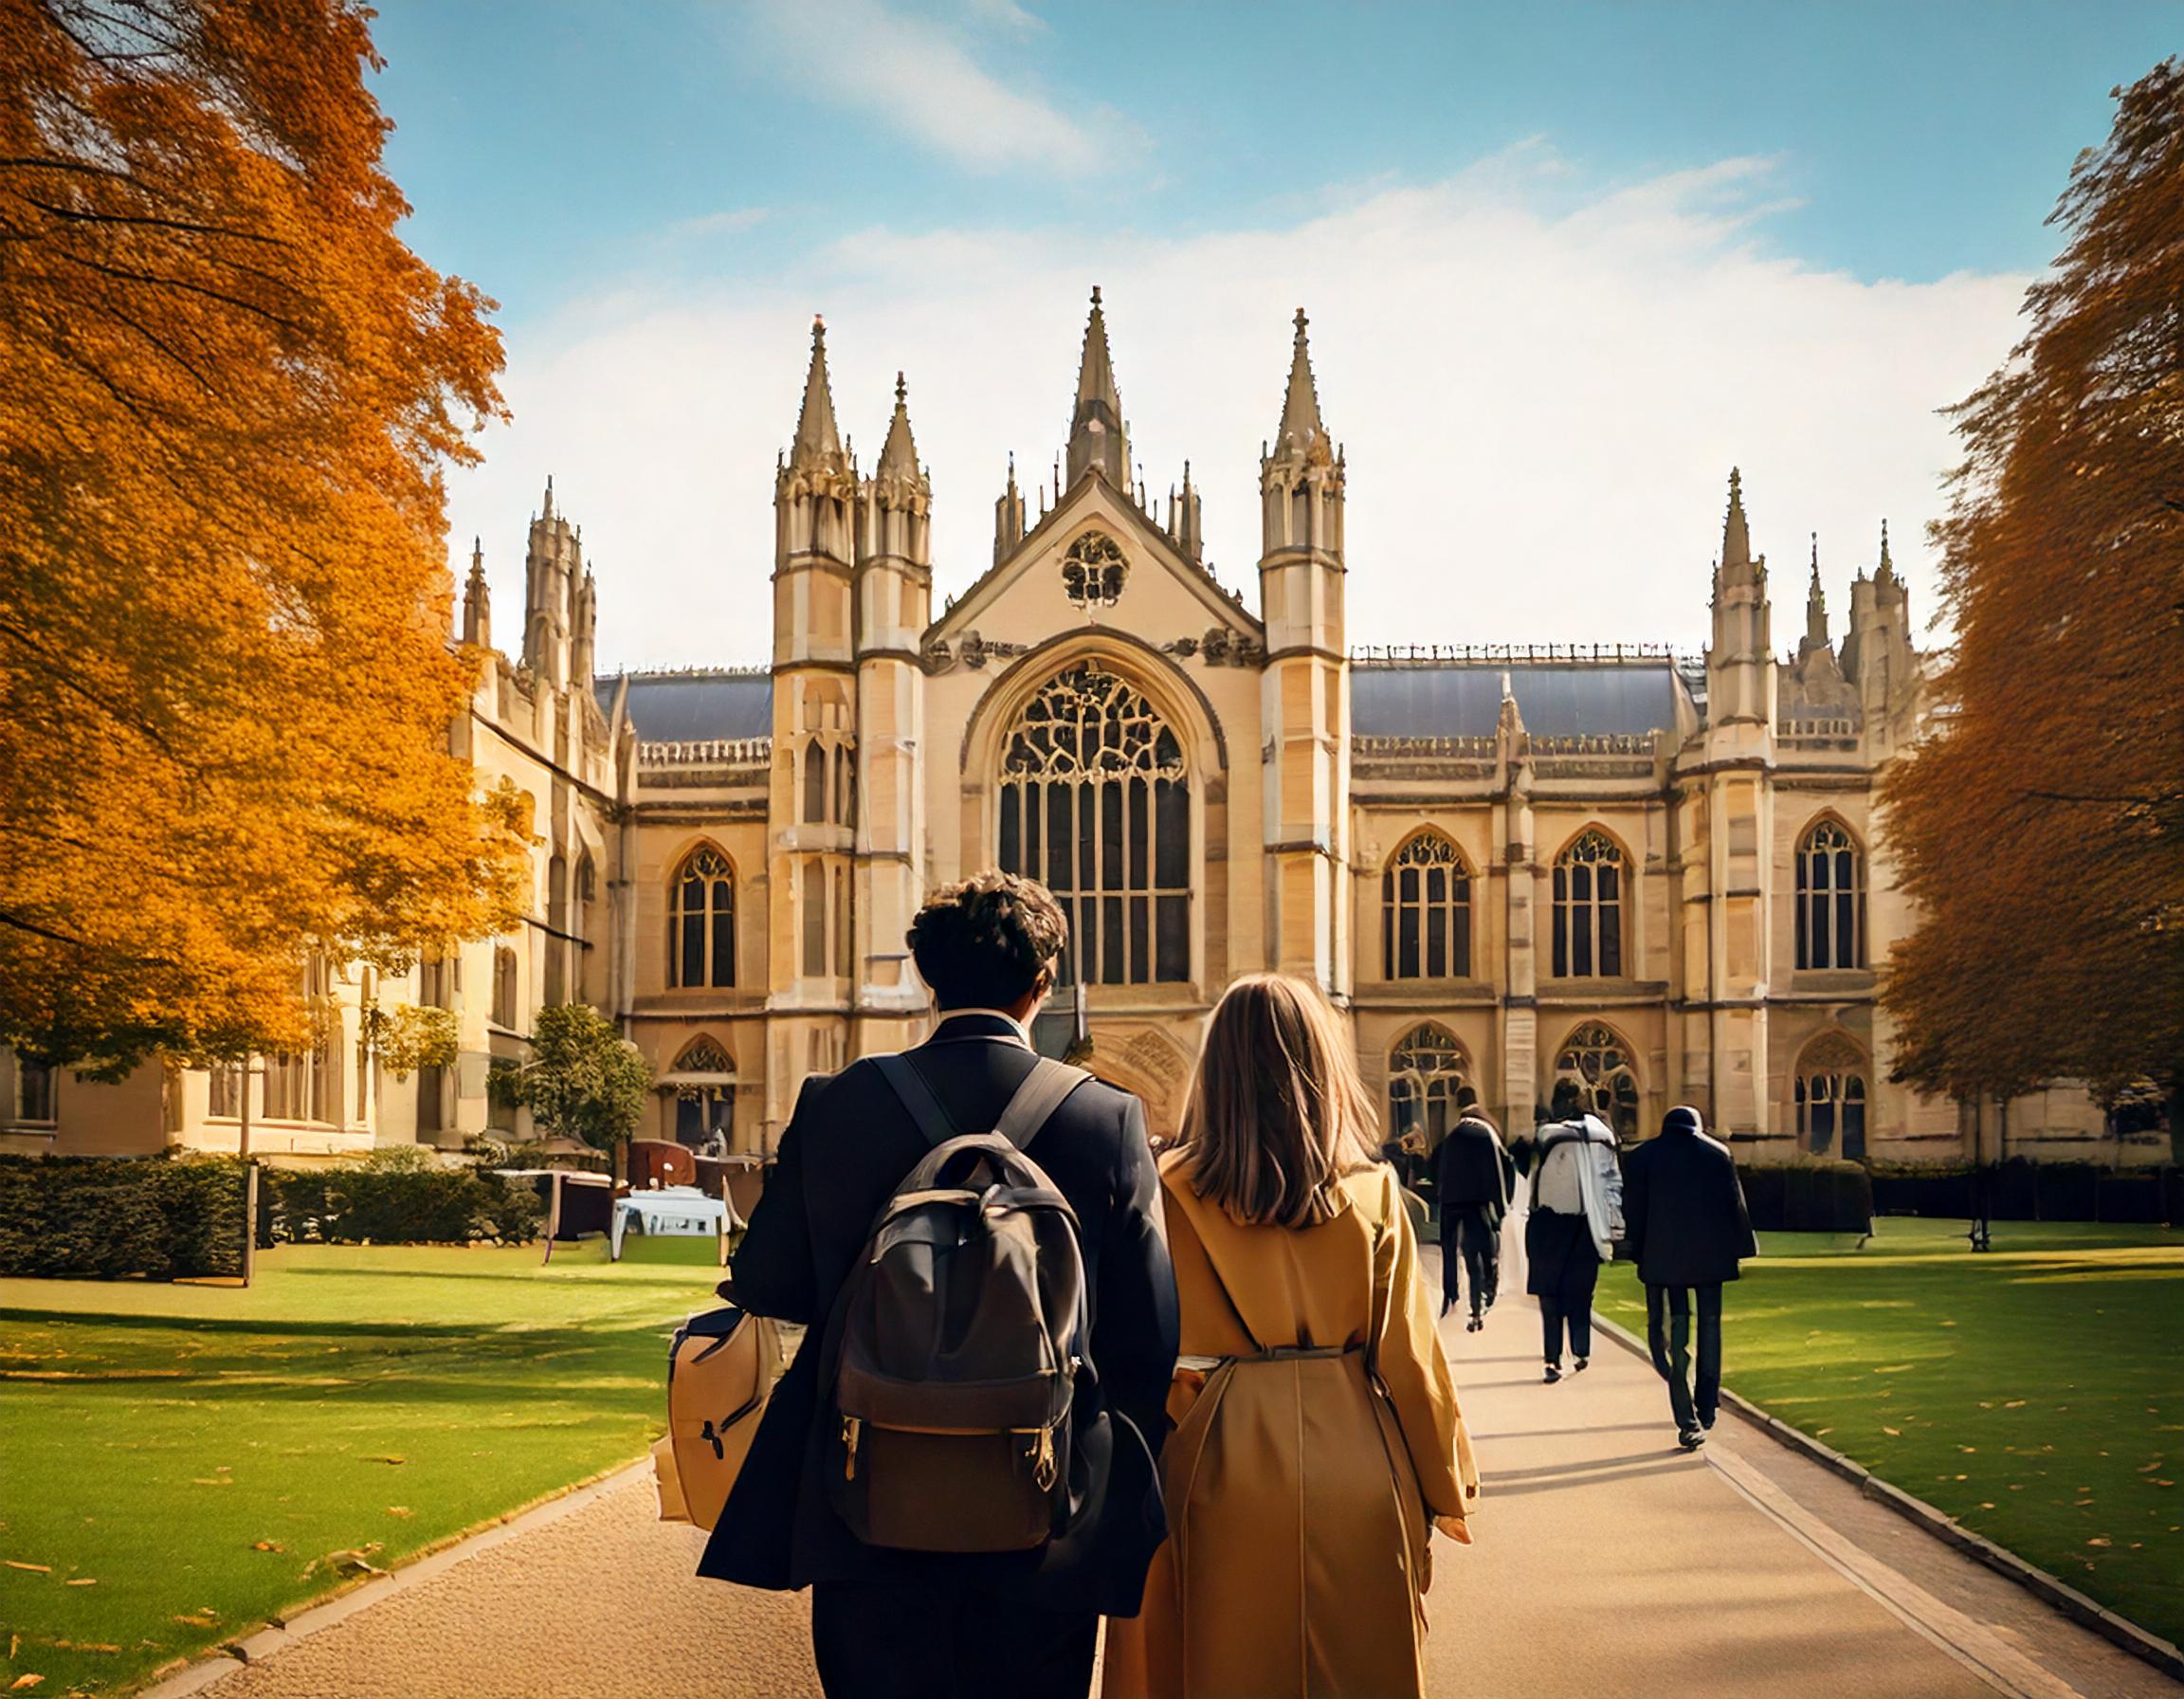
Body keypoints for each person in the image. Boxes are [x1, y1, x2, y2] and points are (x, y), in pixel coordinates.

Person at [701, 871, 1179, 1699]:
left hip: (866, 1495)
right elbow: (1149, 1335)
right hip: (1041, 1499)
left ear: (926, 976)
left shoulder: (837, 1102)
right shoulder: (1108, 1118)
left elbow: (769, 1283)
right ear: (1044, 983)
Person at [1103, 974, 1479, 1699]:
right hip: (1357, 1460)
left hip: (1210, 1460)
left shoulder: (1160, 1191)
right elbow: (1410, 1364)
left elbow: (1132, 1346)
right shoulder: (1371, 1194)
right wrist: (1445, 1490)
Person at [1622, 1105, 1757, 1451]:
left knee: (1676, 1337)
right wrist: (1743, 1247)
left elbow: (1634, 1212)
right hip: (1711, 1257)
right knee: (1711, 1327)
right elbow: (1735, 1207)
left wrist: (1636, 1251)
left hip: (1664, 1259)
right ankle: (1707, 1403)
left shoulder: (1642, 1157)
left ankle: (1686, 1416)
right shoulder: (1717, 1155)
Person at [1522, 1081, 1623, 1382]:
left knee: (1550, 1295)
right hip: (1587, 1223)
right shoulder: (1604, 1137)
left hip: (1550, 1221)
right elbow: (1613, 1182)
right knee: (1581, 1292)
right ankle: (1581, 1350)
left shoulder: (1548, 1136)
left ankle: (1553, 1359)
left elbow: (1534, 1181)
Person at [1433, 1102, 1515, 1328]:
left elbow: (1433, 1165)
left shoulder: (1451, 1138)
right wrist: (1501, 1207)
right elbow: (1502, 1171)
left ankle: (1451, 1294)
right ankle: (1482, 1298)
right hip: (1478, 1202)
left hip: (1450, 1200)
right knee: (1480, 1253)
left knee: (1450, 1251)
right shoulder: (1488, 1136)